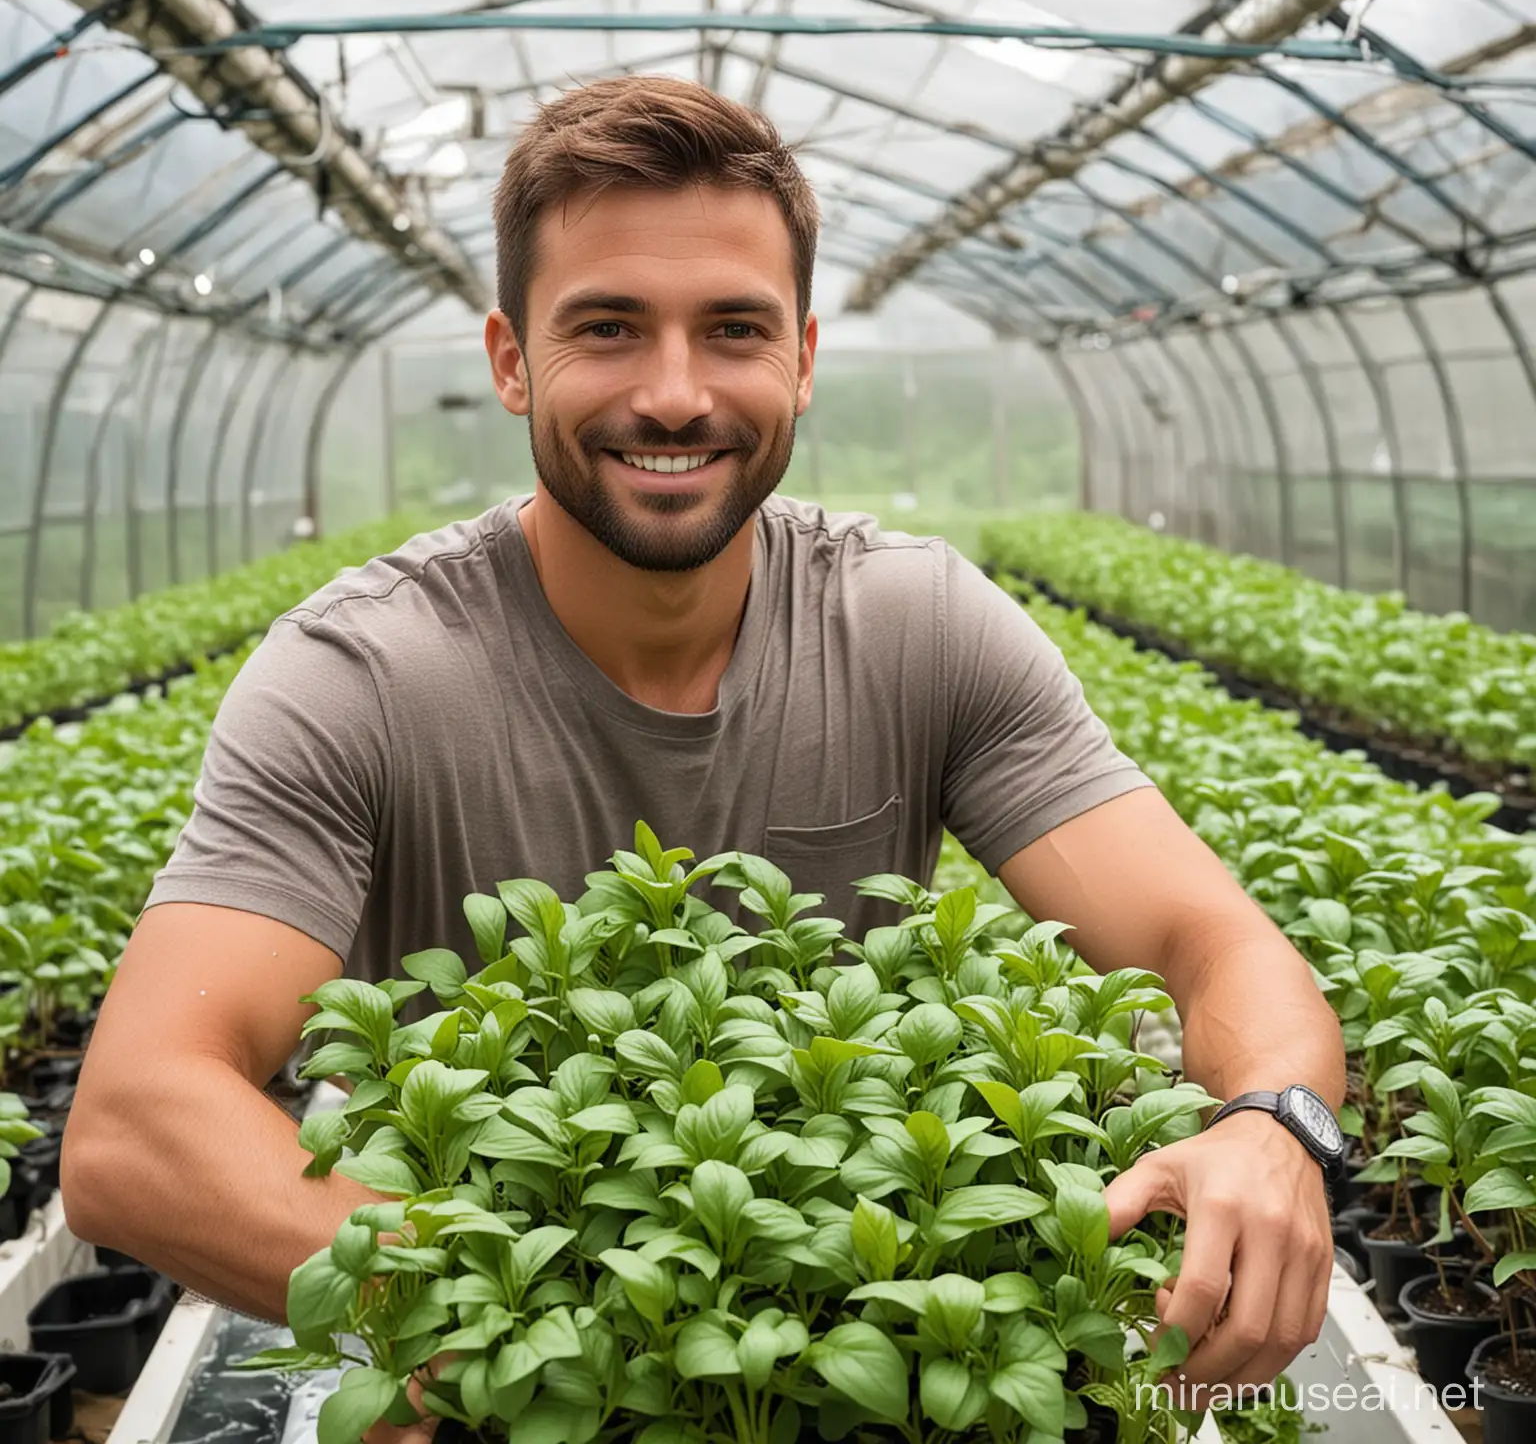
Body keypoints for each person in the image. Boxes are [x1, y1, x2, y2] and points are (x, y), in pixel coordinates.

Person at [61, 76, 1345, 1416]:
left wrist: (1273, 1125)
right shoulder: (362, 674)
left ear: (798, 357)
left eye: (731, 329)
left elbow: (1216, 947)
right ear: (510, 360)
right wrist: (557, 1340)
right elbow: (137, 1125)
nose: (673, 395)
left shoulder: (916, 625)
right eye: (606, 328)